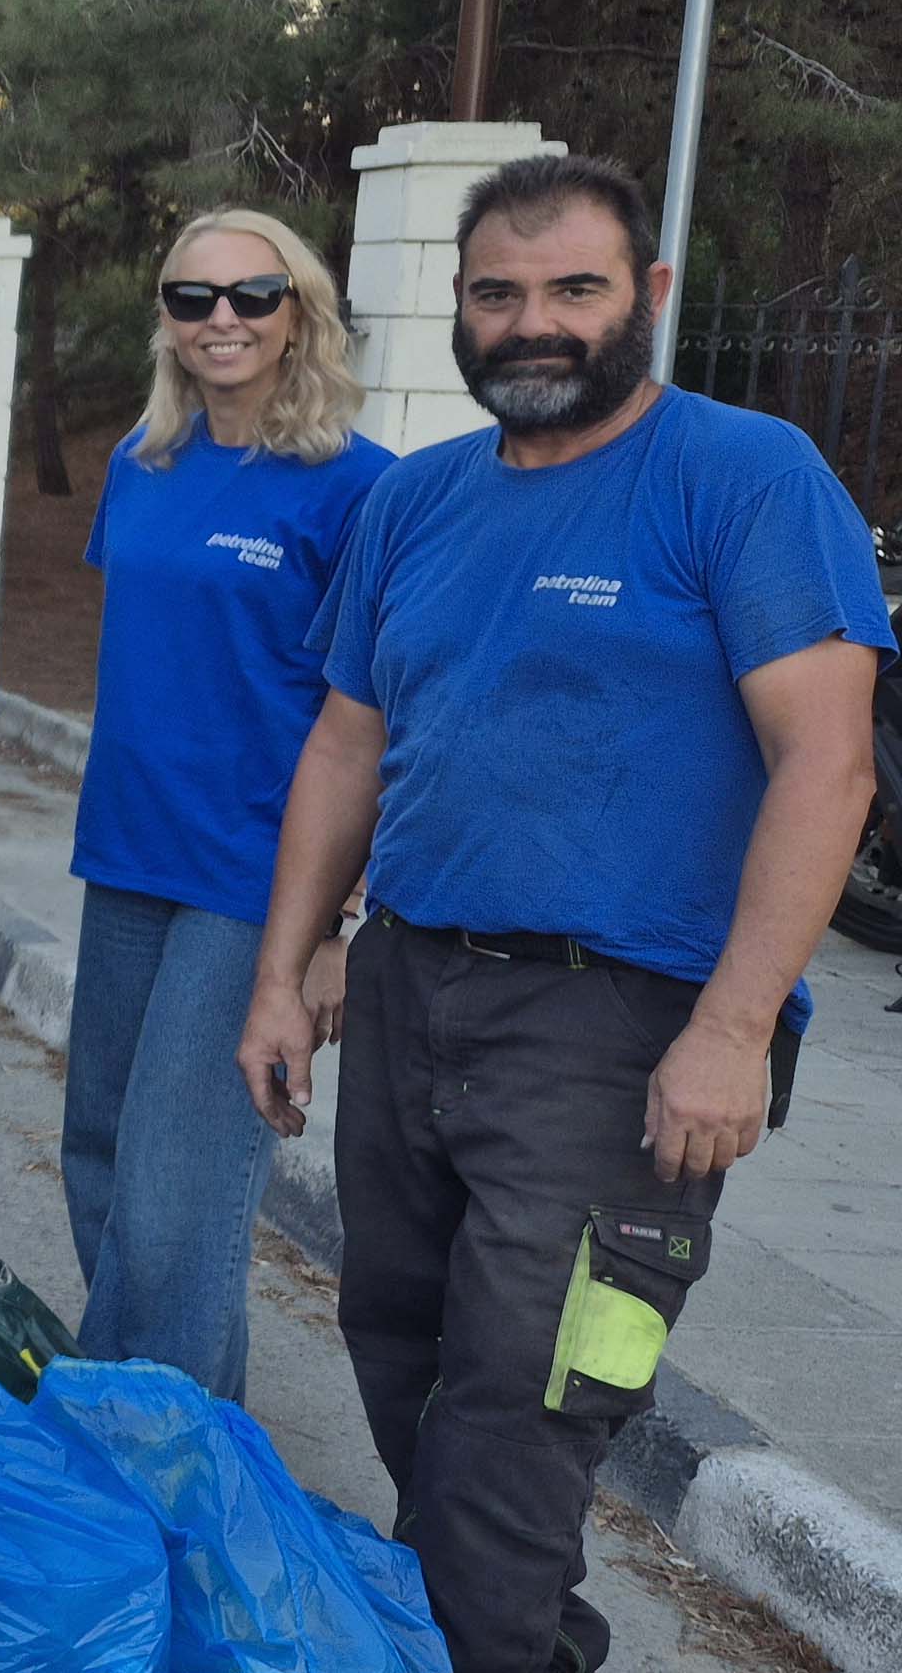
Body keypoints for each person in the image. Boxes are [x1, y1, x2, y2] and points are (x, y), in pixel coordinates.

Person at [237, 154, 883, 1673]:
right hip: (410, 993)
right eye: (499, 295)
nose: (535, 324)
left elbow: (829, 761)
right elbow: (348, 744)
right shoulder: (417, 499)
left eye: (573, 290)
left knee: (526, 1400)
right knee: (398, 1347)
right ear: (459, 312)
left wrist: (734, 1027)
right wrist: (290, 971)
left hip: (626, 1025)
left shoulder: (746, 476)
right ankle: (522, 1644)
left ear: (648, 298)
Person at [60, 209, 391, 1401]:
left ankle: (146, 1466)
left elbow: (386, 723)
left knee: (175, 1200)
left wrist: (342, 926)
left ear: (298, 310)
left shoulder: (363, 491)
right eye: (191, 297)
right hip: (129, 856)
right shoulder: (138, 465)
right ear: (164, 317)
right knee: (99, 1164)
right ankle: (191, 1438)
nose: (221, 320)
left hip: (258, 882)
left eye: (252, 295)